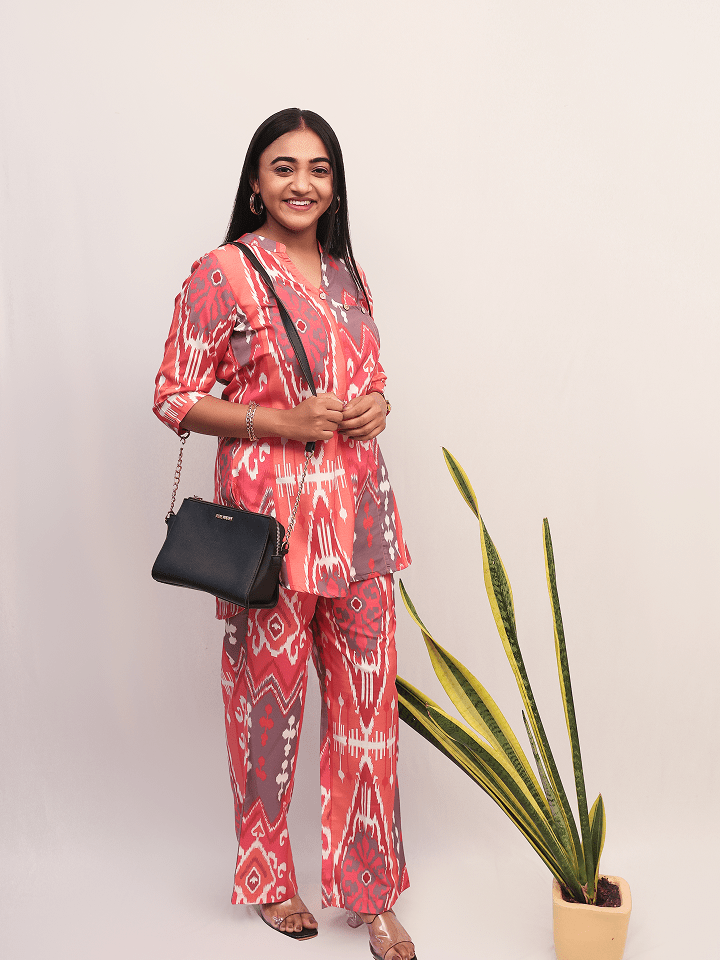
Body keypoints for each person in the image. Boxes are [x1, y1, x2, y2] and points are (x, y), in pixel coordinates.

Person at [153, 108, 415, 960]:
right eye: (284, 167)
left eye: (319, 169)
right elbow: (173, 395)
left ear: (335, 184)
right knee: (266, 710)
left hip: (362, 525)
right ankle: (269, 877)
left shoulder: (348, 273)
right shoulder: (222, 272)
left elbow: (368, 376)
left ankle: (372, 891)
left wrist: (375, 406)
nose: (303, 183)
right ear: (256, 183)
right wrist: (279, 422)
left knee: (369, 716)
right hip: (270, 531)